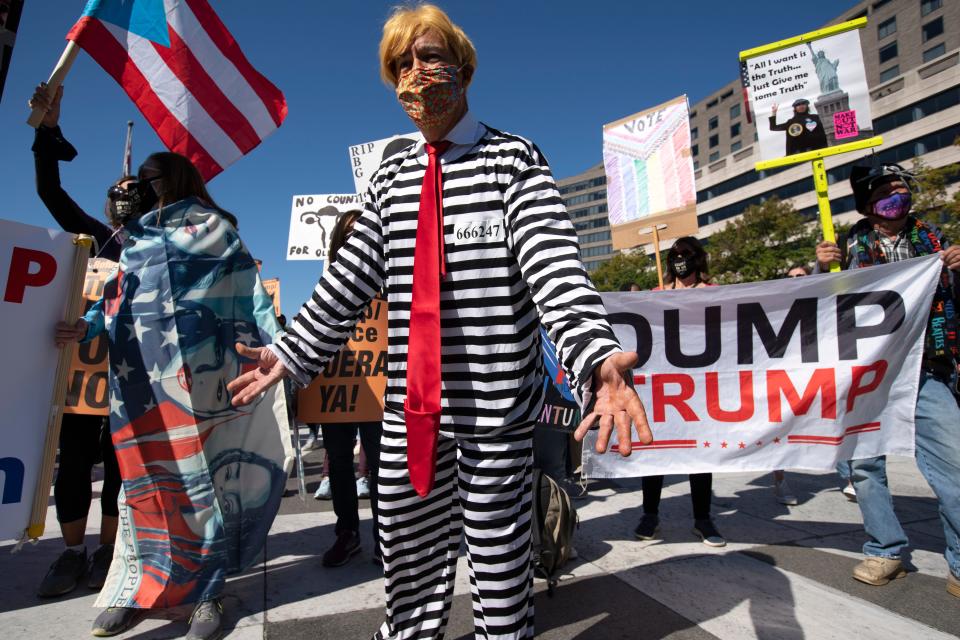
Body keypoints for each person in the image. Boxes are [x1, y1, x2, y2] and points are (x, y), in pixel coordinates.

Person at [227, 5, 652, 639]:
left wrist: (596, 353)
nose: (416, 75)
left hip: (496, 417)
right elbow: (349, 278)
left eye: (429, 57)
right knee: (409, 564)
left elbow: (552, 262)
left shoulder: (511, 159)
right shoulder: (392, 175)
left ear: (464, 67)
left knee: (500, 568)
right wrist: (288, 353)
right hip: (406, 419)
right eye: (401, 65)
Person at [55, 152, 285, 640]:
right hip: (139, 384)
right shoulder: (134, 238)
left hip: (201, 384)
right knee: (144, 487)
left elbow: (248, 291)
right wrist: (86, 325)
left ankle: (209, 593)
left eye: (151, 178)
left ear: (174, 179)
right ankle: (139, 589)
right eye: (141, 180)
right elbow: (119, 296)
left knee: (203, 485)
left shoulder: (214, 230)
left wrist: (279, 347)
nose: (142, 186)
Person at [815, 162, 960, 596]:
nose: (898, 197)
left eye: (902, 190)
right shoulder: (846, 244)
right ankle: (885, 550)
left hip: (925, 370)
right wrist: (824, 271)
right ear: (869, 204)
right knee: (864, 468)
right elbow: (827, 309)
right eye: (887, 193)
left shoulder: (935, 239)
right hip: (867, 375)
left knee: (953, 464)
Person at [29, 82, 123, 597]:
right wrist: (47, 131)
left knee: (118, 469)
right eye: (119, 195)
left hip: (127, 382)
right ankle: (71, 554)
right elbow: (50, 193)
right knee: (72, 466)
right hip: (79, 383)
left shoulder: (161, 248)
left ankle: (108, 550)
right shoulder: (95, 239)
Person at [634, 237, 726, 547]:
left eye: (685, 254)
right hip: (665, 387)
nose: (679, 259)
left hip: (701, 388)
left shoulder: (716, 294)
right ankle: (650, 514)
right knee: (656, 448)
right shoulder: (657, 294)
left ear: (698, 258)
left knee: (699, 452)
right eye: (674, 255)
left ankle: (703, 518)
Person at [311, 209, 383, 568]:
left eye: (363, 232)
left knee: (382, 463)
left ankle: (385, 539)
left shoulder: (388, 277)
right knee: (338, 461)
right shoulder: (328, 282)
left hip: (378, 388)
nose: (357, 237)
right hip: (337, 388)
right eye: (350, 232)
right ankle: (347, 533)